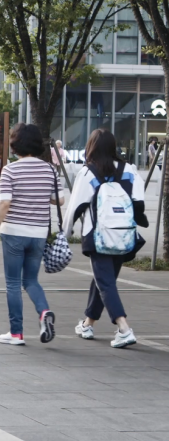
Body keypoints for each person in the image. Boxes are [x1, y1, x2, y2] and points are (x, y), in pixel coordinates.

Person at [0, 123, 64, 346]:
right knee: (31, 280)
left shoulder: (10, 170)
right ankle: (44, 311)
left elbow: (4, 203)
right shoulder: (50, 170)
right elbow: (59, 200)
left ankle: (16, 333)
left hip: (14, 232)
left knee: (12, 283)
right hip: (39, 233)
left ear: (15, 144)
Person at [67, 129, 148, 349]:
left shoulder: (88, 172)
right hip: (123, 235)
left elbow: (75, 207)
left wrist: (66, 234)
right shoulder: (129, 170)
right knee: (104, 280)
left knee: (105, 281)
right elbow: (139, 202)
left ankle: (124, 328)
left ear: (91, 147)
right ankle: (88, 323)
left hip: (98, 236)